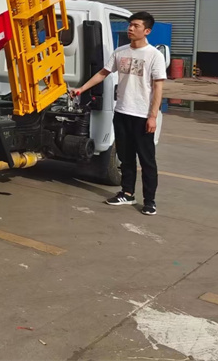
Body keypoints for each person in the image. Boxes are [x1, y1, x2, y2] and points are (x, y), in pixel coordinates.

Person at [70, 11, 166, 216]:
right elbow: (103, 73)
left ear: (147, 31)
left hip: (142, 115)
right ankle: (127, 193)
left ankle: (150, 201)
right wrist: (81, 88)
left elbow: (158, 87)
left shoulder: (154, 55)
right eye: (130, 25)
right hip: (121, 112)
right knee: (125, 157)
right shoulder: (120, 51)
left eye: (136, 26)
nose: (130, 28)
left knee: (147, 160)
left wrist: (152, 116)